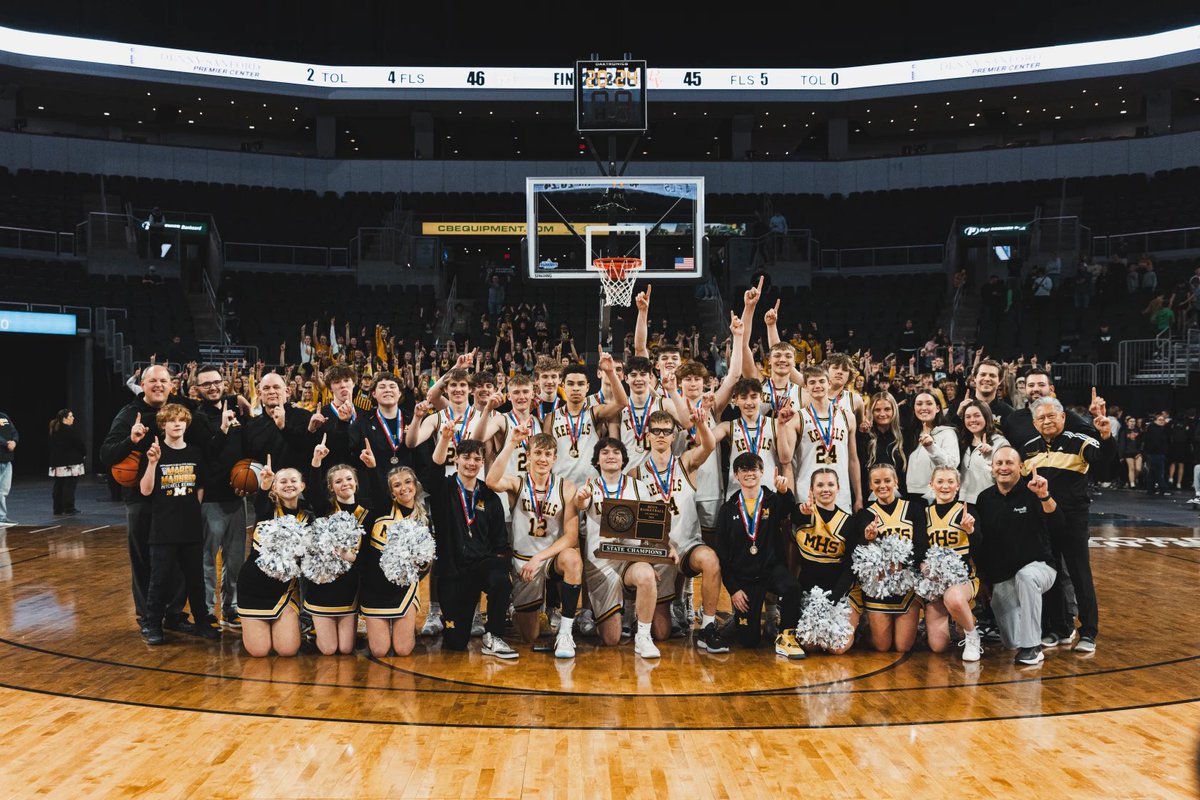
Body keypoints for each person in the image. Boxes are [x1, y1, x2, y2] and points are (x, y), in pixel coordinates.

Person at [1020, 396, 1114, 654]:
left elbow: (1106, 467)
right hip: (1043, 521)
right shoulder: (1027, 448)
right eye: (1041, 418)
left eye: (1052, 416)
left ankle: (1089, 632)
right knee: (1051, 575)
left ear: (1063, 417)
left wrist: (1106, 436)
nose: (1047, 421)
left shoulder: (1081, 442)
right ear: (1034, 422)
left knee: (1079, 573)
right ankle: (1058, 628)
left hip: (1073, 520)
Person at [630, 408, 728, 652]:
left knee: (710, 559)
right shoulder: (636, 474)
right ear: (648, 436)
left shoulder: (685, 463)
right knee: (662, 634)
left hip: (686, 545)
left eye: (666, 431)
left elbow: (708, 445)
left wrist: (702, 424)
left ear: (674, 436)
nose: (661, 435)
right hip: (657, 550)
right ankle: (641, 612)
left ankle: (707, 628)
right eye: (656, 431)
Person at [101, 365, 189, 630]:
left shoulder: (179, 411)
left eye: (164, 380)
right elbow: (106, 454)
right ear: (143, 384)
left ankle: (174, 614)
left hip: (175, 497)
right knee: (142, 559)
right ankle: (147, 616)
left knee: (178, 560)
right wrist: (130, 440)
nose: (159, 385)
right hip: (141, 499)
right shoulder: (129, 415)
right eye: (153, 381)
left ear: (172, 385)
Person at [486, 429, 583, 658]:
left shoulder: (566, 487)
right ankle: (518, 606)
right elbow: (491, 480)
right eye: (537, 453)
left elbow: (570, 537)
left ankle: (566, 633)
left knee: (572, 558)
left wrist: (539, 558)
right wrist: (511, 443)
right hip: (522, 560)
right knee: (530, 636)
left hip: (548, 559)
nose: (542, 458)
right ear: (528, 456)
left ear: (554, 458)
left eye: (548, 454)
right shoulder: (517, 482)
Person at [136, 404, 221, 645]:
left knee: (195, 579)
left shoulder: (194, 452)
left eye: (181, 420)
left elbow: (200, 487)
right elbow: (145, 490)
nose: (176, 423)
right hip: (163, 527)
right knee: (159, 579)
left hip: (190, 526)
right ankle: (153, 624)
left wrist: (192, 509)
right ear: (163, 425)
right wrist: (152, 464)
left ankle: (202, 622)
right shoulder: (154, 452)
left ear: (186, 424)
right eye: (171, 420)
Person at [429, 437, 516, 658]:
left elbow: (500, 542)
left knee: (500, 579)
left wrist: (500, 568)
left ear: (482, 463)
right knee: (456, 643)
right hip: (453, 571)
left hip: (482, 564)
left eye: (477, 459)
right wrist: (445, 438)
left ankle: (493, 636)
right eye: (466, 457)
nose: (471, 463)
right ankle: (451, 617)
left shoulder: (489, 496)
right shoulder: (443, 489)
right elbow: (435, 467)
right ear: (456, 459)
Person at [973, 447, 1060, 666]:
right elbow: (983, 545)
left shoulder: (1035, 492)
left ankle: (1033, 647)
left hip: (1040, 568)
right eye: (999, 463)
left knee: (1026, 577)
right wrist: (984, 580)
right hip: (1004, 576)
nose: (1004, 468)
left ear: (1021, 467)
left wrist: (1044, 496)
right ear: (992, 468)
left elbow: (1059, 524)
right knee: (1011, 641)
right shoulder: (984, 499)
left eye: (1009, 463)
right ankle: (1024, 640)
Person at [714, 452, 806, 659]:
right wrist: (734, 589)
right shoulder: (727, 510)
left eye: (754, 469)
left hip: (771, 569)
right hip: (745, 578)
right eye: (744, 470)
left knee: (791, 587)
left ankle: (786, 635)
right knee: (749, 642)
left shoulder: (773, 500)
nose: (749, 473)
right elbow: (722, 553)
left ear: (762, 472)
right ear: (736, 475)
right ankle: (741, 620)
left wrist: (784, 491)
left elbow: (789, 510)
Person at [188, 365, 246, 630]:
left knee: (235, 560)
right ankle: (208, 611)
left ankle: (232, 608)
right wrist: (222, 429)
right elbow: (209, 454)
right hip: (211, 498)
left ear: (224, 383)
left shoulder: (237, 409)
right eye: (206, 384)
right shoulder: (197, 418)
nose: (212, 387)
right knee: (207, 560)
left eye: (216, 382)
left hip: (237, 496)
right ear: (197, 389)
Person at [237, 461, 308, 657]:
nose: (289, 484)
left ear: (302, 486)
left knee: (287, 650)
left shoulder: (308, 515)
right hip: (253, 587)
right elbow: (261, 505)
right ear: (275, 487)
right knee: (259, 652)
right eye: (282, 481)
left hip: (284, 590)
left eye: (294, 480)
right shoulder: (267, 511)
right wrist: (264, 485)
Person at [305, 443, 371, 655]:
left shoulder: (366, 511)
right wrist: (316, 462)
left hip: (351, 587)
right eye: (338, 481)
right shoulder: (326, 509)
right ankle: (314, 630)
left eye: (349, 479)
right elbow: (314, 492)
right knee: (329, 649)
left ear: (356, 482)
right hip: (324, 586)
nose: (345, 484)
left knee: (345, 648)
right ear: (331, 487)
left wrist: (372, 466)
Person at [360, 467, 429, 658]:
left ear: (415, 485)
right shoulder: (380, 511)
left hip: (404, 590)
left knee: (403, 650)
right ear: (391, 492)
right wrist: (373, 467)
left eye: (408, 482)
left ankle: (399, 631)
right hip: (375, 589)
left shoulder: (423, 519)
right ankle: (381, 632)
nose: (404, 488)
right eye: (397, 485)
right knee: (380, 651)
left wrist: (419, 566)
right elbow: (375, 488)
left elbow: (425, 564)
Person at [792, 469, 861, 655]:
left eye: (830, 484)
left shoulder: (849, 522)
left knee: (837, 648)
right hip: (811, 593)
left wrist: (834, 597)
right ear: (812, 490)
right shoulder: (804, 513)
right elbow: (792, 513)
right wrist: (801, 510)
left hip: (841, 592)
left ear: (838, 488)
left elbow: (851, 568)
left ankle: (858, 625)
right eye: (820, 485)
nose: (826, 489)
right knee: (809, 645)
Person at [860, 463, 927, 653]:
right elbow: (860, 551)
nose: (883, 486)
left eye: (887, 480)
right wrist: (868, 539)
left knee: (902, 647)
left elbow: (921, 545)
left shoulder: (913, 509)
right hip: (879, 585)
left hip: (906, 583)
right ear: (870, 486)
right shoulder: (866, 514)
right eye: (877, 482)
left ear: (896, 482)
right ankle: (866, 629)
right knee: (882, 646)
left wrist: (903, 565)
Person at [922, 467, 981, 661]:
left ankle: (973, 635)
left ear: (958, 485)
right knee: (938, 646)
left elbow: (982, 546)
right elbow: (920, 548)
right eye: (940, 481)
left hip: (964, 580)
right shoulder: (925, 513)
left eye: (950, 481)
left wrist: (971, 531)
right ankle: (961, 621)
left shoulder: (967, 510)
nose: (945, 486)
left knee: (954, 597)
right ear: (932, 485)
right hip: (935, 583)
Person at [904, 392, 960, 502]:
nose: (924, 408)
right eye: (919, 404)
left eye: (929, 403)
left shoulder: (948, 433)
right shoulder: (910, 434)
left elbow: (951, 465)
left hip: (937, 494)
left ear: (938, 408)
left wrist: (931, 447)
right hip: (911, 493)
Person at [957, 400, 1008, 505]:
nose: (972, 420)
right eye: (968, 417)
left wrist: (988, 460)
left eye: (977, 416)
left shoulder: (1000, 443)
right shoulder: (963, 441)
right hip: (963, 500)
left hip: (989, 501)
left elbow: (1006, 476)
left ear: (986, 417)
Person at [859, 392, 908, 500]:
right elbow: (860, 472)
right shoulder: (864, 437)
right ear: (871, 412)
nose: (882, 414)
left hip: (900, 500)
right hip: (870, 500)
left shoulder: (905, 436)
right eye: (877, 410)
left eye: (887, 409)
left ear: (894, 410)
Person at [48, 409, 86, 516]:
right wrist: (84, 453)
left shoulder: (54, 430)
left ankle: (57, 508)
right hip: (70, 463)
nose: (73, 418)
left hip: (57, 463)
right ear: (64, 419)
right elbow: (79, 444)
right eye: (71, 416)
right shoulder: (69, 430)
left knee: (59, 485)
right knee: (69, 485)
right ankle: (69, 508)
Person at [0, 408, 17, 527]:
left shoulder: (4, 416)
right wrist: (6, 443)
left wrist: (14, 441)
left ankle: (2, 517)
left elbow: (14, 431)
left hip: (7, 459)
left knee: (3, 490)